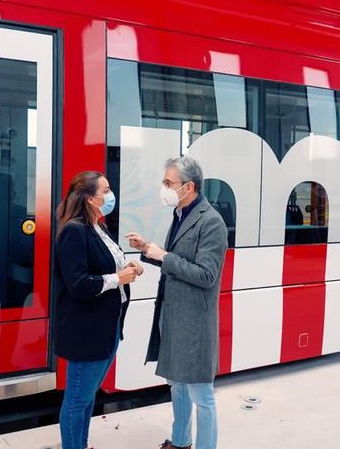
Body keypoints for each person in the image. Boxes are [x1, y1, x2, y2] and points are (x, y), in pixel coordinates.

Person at [127, 157, 228, 449]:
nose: (164, 188)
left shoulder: (211, 221)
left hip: (194, 322)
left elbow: (207, 275)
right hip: (174, 316)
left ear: (189, 187)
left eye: (168, 183)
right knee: (178, 387)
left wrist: (164, 256)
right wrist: (148, 249)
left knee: (202, 396)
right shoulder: (181, 213)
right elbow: (178, 261)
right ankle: (181, 441)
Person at [54, 171, 144, 449]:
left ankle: (81, 444)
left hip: (107, 326)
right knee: (77, 399)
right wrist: (119, 278)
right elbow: (78, 284)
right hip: (87, 330)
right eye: (105, 191)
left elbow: (105, 265)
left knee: (88, 395)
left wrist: (129, 267)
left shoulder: (98, 227)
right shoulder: (74, 231)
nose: (110, 195)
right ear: (90, 199)